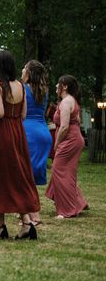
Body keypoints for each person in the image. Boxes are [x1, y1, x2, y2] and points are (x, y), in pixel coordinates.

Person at [0, 50, 40, 240]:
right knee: (17, 176)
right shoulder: (20, 85)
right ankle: (27, 223)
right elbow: (23, 114)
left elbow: (0, 112)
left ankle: (1, 227)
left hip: (0, 133)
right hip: (17, 133)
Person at [45, 75, 89, 218]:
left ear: (64, 86)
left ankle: (67, 210)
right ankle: (79, 202)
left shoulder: (66, 102)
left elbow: (64, 127)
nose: (56, 87)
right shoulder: (72, 101)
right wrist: (53, 126)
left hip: (69, 140)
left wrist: (56, 144)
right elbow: (74, 122)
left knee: (59, 171)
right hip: (75, 138)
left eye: (58, 84)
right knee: (67, 173)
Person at [22, 61, 53, 184]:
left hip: (27, 132)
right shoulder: (44, 90)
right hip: (43, 131)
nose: (22, 70)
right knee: (32, 178)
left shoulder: (22, 89)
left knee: (23, 173)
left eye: (24, 68)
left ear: (29, 73)